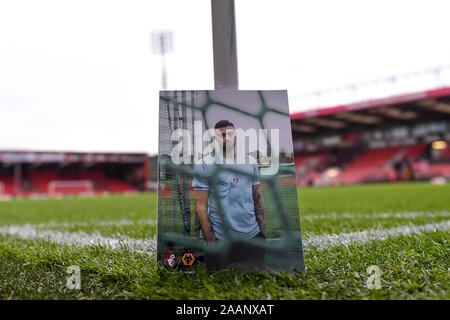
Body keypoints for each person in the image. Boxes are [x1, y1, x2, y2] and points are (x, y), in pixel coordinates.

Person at [192, 120, 266, 270]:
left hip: (252, 235)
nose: (227, 139)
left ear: (236, 136)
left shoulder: (250, 161)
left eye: (230, 134)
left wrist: (262, 230)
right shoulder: (204, 164)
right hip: (221, 238)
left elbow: (257, 196)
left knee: (257, 282)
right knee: (218, 286)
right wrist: (209, 237)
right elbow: (201, 206)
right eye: (222, 135)